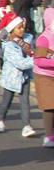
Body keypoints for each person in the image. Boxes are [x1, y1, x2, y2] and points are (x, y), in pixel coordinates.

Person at [0, 14, 37, 137]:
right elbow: (20, 63)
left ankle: (26, 126)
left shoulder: (28, 39)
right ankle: (0, 119)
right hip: (11, 77)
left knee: (25, 101)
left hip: (25, 77)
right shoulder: (9, 45)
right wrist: (37, 61)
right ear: (12, 30)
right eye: (19, 28)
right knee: (6, 101)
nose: (22, 29)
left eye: (23, 27)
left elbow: (34, 51)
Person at [33, 8, 54, 147]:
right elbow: (39, 61)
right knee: (50, 105)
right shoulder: (44, 38)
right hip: (44, 76)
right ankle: (49, 136)